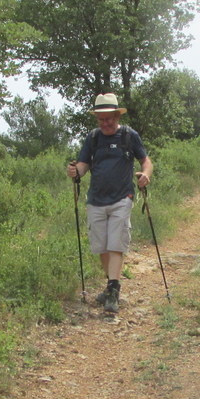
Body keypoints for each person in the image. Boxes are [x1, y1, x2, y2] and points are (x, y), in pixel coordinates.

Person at [67, 93, 153, 314]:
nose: (105, 123)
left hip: (122, 198)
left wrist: (145, 174)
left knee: (116, 243)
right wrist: (76, 171)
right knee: (101, 247)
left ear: (117, 115)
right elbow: (84, 165)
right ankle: (110, 285)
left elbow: (145, 160)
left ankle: (113, 290)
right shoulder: (93, 138)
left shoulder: (129, 136)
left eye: (109, 118)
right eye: (101, 119)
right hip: (95, 200)